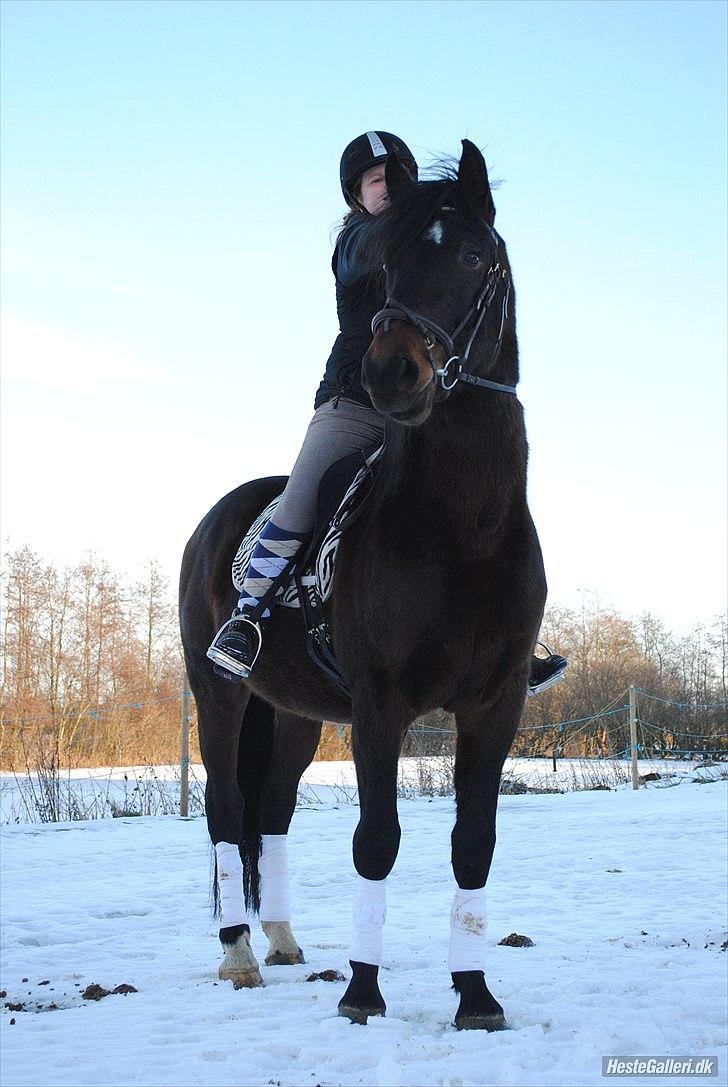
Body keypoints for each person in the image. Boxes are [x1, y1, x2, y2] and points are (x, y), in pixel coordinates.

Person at [206, 131, 567, 696]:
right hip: (353, 405)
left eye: (396, 177)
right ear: (357, 196)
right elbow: (376, 246)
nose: (387, 188)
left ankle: (507, 644)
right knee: (303, 498)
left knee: (484, 506)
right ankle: (247, 615)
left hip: (421, 410)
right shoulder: (356, 244)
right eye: (376, 180)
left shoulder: (425, 241)